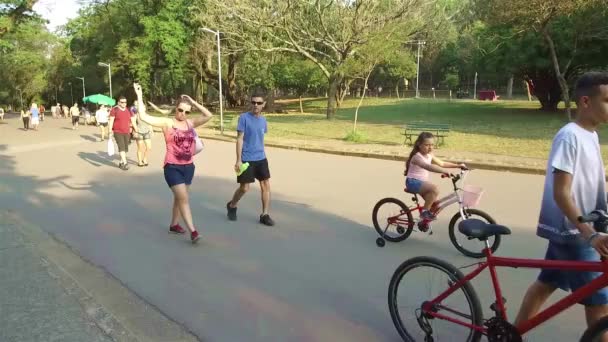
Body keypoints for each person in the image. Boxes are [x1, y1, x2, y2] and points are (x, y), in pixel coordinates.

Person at [514, 72, 608, 339]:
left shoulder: (590, 135)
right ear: (586, 101)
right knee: (598, 304)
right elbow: (562, 193)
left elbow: (589, 184)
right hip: (576, 234)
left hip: (576, 230)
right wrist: (589, 233)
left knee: (546, 283)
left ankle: (511, 335)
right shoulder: (570, 137)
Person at [133, 83, 213, 244]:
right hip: (172, 167)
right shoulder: (167, 123)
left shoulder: (190, 124)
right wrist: (139, 95)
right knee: (183, 198)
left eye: (186, 111)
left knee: (179, 198)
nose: (183, 113)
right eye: (180, 109)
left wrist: (193, 101)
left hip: (188, 167)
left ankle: (174, 225)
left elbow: (208, 115)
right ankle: (193, 231)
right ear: (175, 109)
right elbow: (143, 116)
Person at [226, 92, 276, 226]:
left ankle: (264, 215)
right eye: (253, 102)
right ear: (250, 103)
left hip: (261, 157)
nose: (256, 105)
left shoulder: (263, 120)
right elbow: (240, 139)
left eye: (259, 103)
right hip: (247, 158)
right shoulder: (243, 118)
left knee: (265, 185)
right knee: (244, 188)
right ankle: (232, 205)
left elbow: (260, 139)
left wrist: (262, 153)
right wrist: (238, 160)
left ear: (263, 104)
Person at [404, 132, 466, 221]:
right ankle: (424, 213)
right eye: (427, 145)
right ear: (419, 144)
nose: (430, 147)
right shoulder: (416, 157)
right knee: (434, 189)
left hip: (422, 183)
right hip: (412, 182)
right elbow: (428, 166)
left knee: (434, 205)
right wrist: (445, 171)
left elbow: (442, 163)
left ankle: (423, 223)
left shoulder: (430, 155)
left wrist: (458, 165)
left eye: (432, 145)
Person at [109, 96, 137, 170]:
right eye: (122, 102)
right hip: (117, 132)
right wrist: (109, 132)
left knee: (125, 148)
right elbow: (111, 121)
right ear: (118, 102)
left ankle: (121, 162)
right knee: (121, 147)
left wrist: (136, 130)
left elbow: (133, 121)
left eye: (125, 102)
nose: (124, 103)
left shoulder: (128, 110)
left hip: (127, 132)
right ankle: (125, 163)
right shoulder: (114, 110)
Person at [131, 102, 153, 167]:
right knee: (140, 148)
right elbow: (133, 122)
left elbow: (150, 123)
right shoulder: (136, 115)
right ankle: (140, 161)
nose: (142, 108)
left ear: (145, 108)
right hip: (139, 132)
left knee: (149, 147)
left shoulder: (147, 115)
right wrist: (136, 131)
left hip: (147, 132)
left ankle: (144, 159)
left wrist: (151, 130)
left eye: (143, 107)